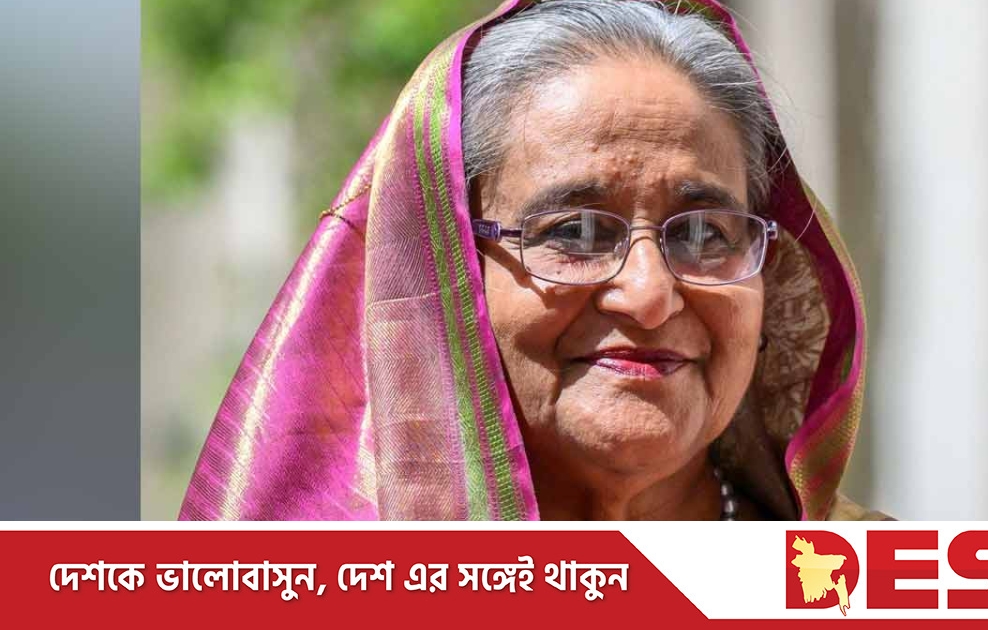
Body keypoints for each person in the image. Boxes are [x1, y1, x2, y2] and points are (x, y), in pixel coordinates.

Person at [179, 0, 889, 521]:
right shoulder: (314, 592)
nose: (649, 294)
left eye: (705, 234)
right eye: (575, 232)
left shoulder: (868, 590)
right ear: (447, 273)